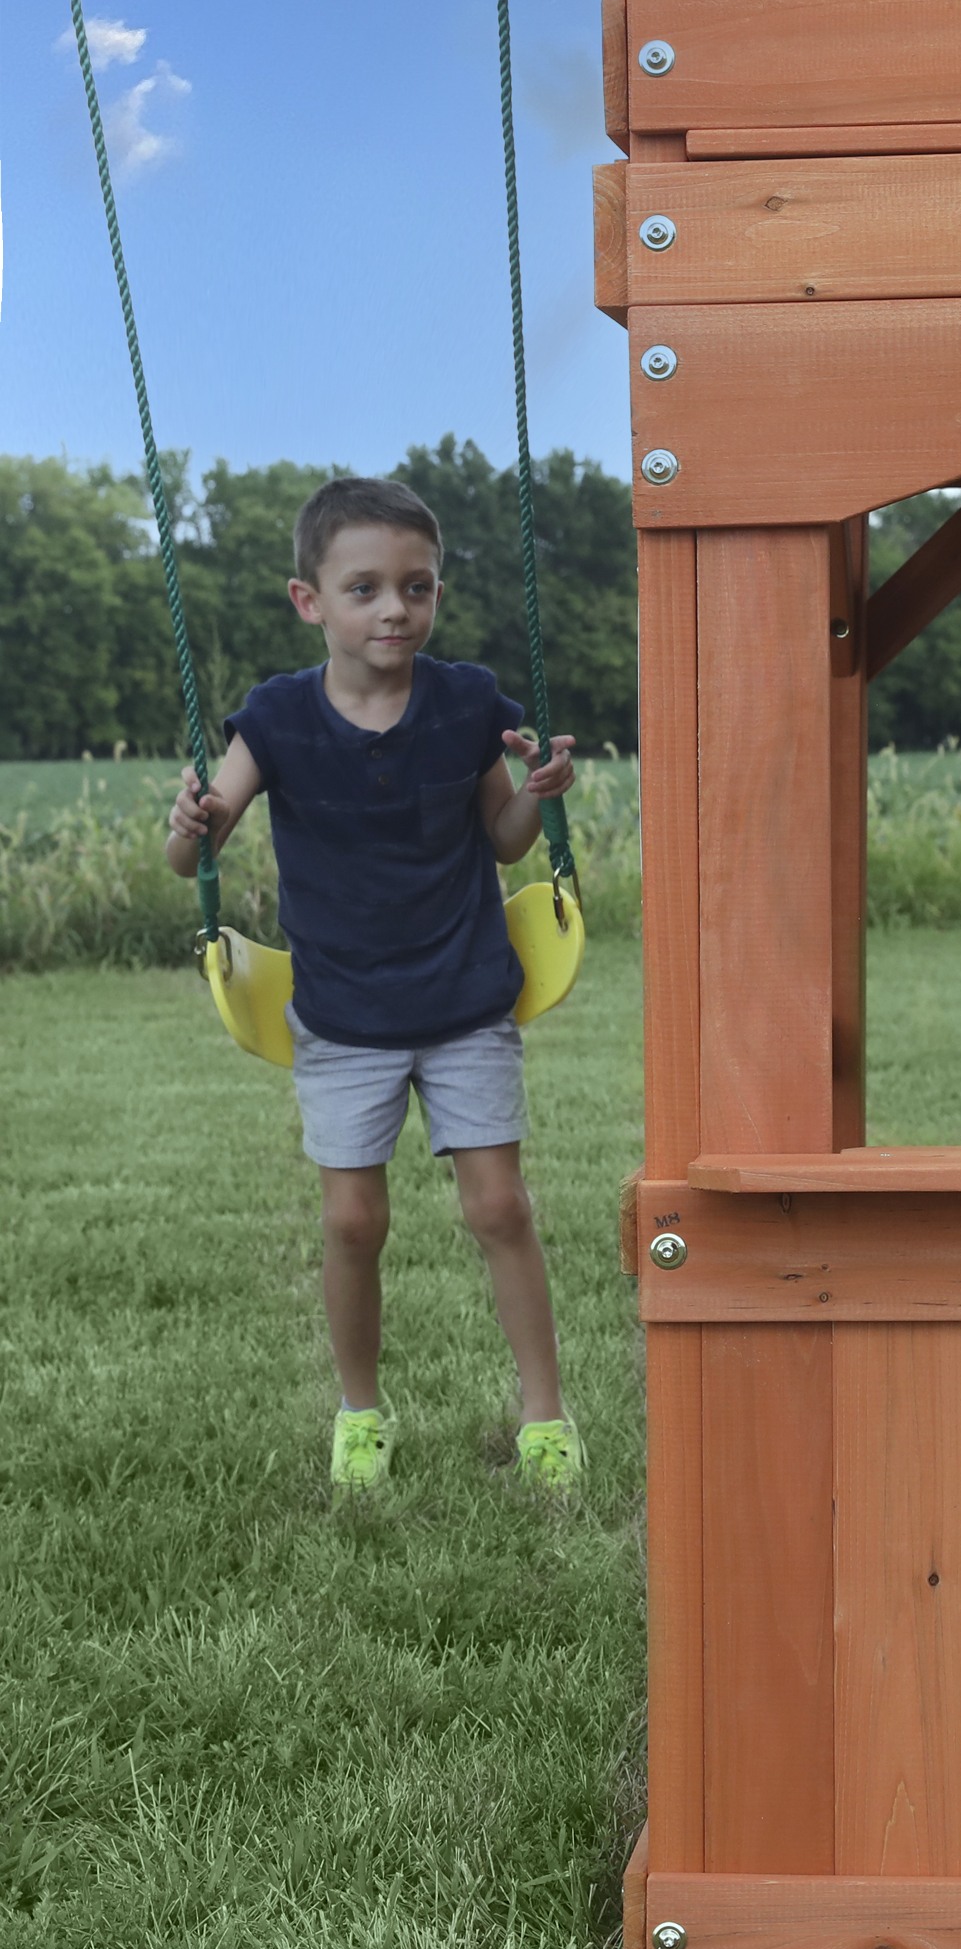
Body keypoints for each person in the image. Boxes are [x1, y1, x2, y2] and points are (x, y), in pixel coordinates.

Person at [166, 477, 586, 1493]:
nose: (394, 608)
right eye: (364, 589)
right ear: (310, 601)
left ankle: (546, 1416)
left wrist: (537, 800)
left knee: (499, 1209)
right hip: (345, 1014)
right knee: (353, 1222)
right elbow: (193, 855)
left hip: (464, 998)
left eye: (416, 586)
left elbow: (501, 840)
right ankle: (360, 1412)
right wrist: (189, 830)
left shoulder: (467, 701)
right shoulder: (272, 719)